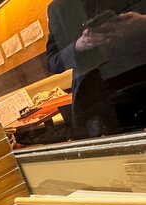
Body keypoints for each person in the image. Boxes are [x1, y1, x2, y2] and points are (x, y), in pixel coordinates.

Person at [46, 0, 146, 138]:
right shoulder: (59, 7)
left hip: (139, 78)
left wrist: (142, 23)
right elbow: (53, 62)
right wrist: (78, 46)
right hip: (97, 103)